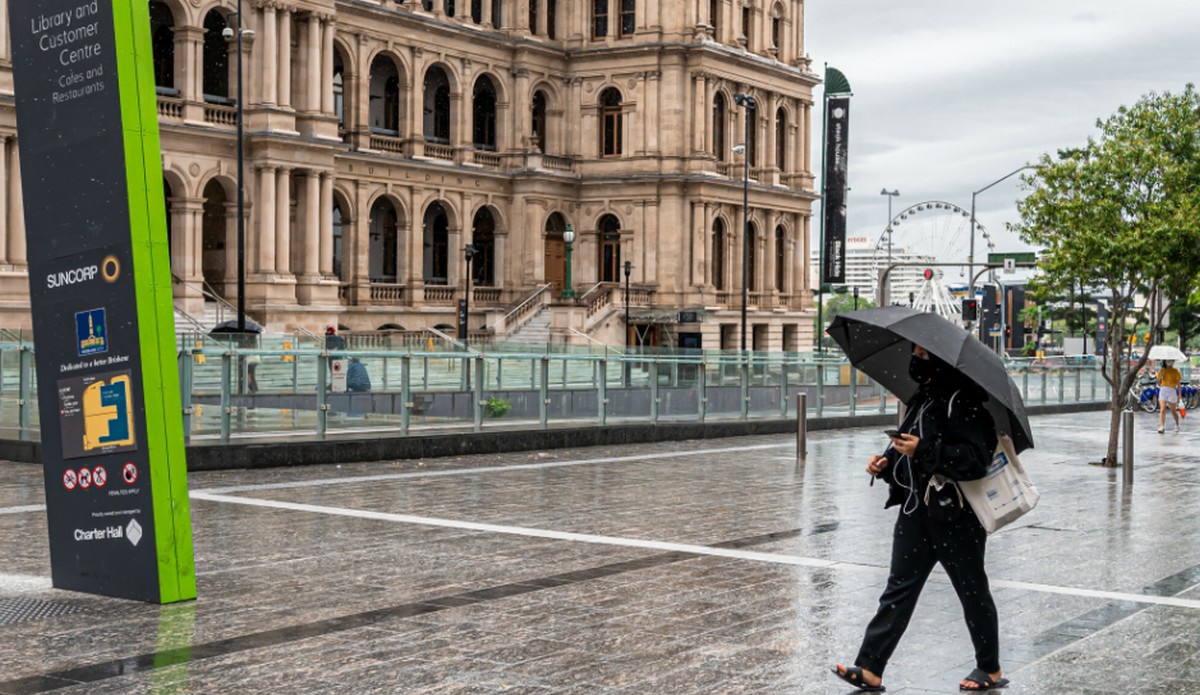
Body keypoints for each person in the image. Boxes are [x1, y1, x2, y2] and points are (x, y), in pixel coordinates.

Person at [833, 344, 1006, 692]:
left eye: (925, 355)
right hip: (915, 513)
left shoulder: (965, 403)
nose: (917, 361)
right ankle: (870, 667)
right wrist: (883, 464)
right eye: (915, 354)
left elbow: (974, 460)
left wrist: (923, 450)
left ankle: (990, 668)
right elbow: (906, 448)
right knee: (897, 591)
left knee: (972, 591)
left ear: (942, 362)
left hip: (957, 517)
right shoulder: (922, 399)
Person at [1156, 359, 1183, 433]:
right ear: (1164, 361)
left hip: (1172, 391)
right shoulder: (1162, 370)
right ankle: (1161, 426)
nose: (1169, 362)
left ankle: (1177, 425)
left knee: (1173, 410)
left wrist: (1180, 395)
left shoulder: (1175, 371)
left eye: (1171, 361)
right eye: (1168, 361)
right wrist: (1160, 378)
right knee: (1162, 409)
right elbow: (1159, 383)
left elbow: (1178, 384)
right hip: (1163, 390)